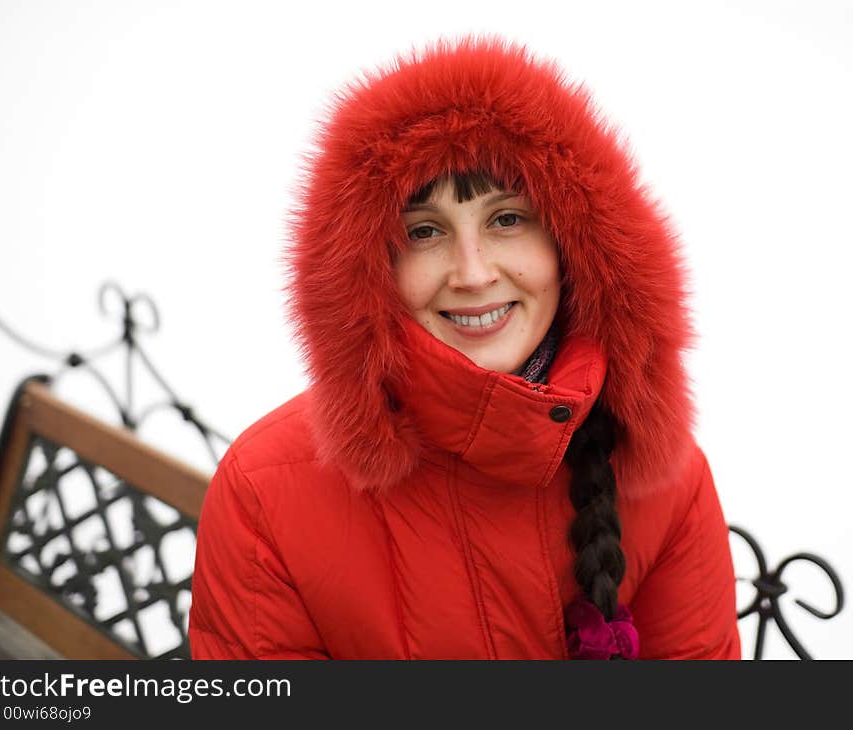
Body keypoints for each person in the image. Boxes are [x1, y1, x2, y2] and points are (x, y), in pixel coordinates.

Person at [188, 36, 741, 660]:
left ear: (573, 245)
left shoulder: (664, 478)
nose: (473, 273)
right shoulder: (267, 490)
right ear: (370, 272)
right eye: (425, 232)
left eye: (507, 219)